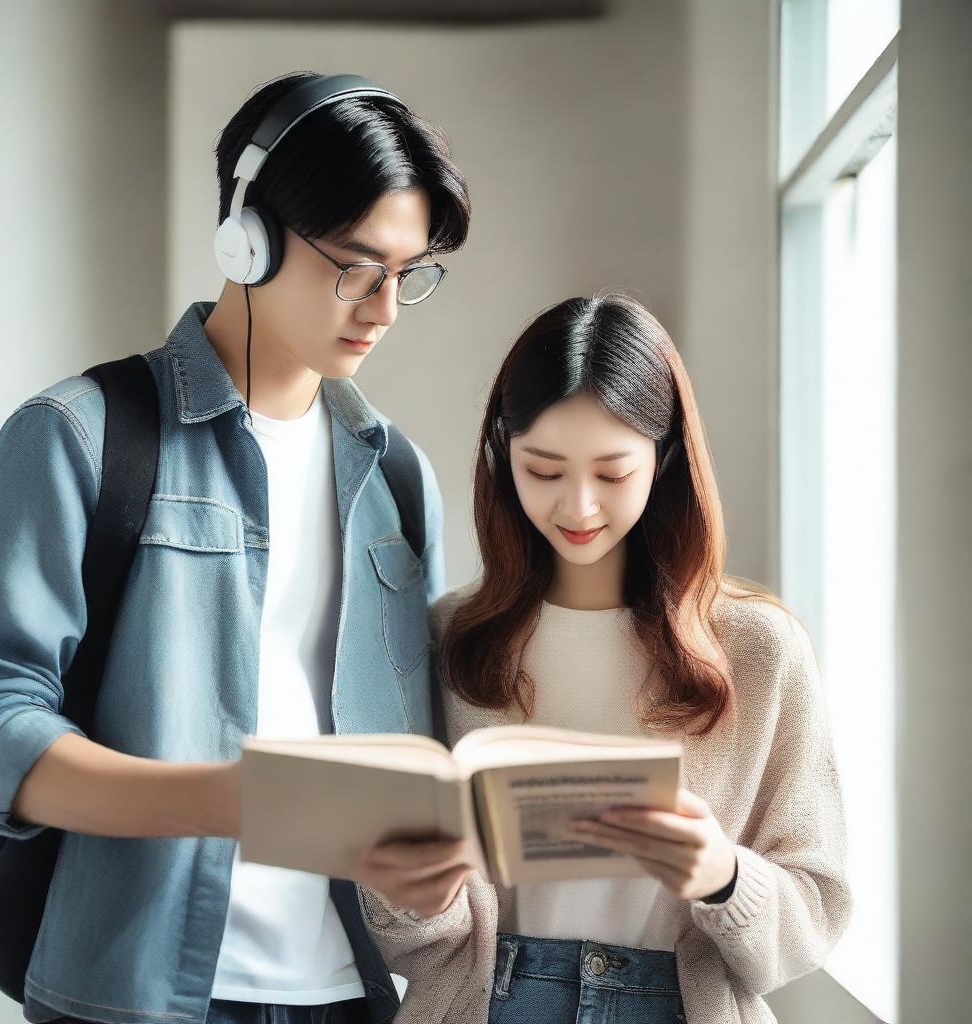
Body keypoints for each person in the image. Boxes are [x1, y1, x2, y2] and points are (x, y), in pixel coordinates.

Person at [0, 72, 472, 1024]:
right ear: (249, 237)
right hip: (135, 992)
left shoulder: (398, 477)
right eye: (356, 267)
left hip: (356, 988)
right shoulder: (80, 434)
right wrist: (230, 799)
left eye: (409, 274)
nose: (384, 308)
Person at [359, 293, 853, 1024]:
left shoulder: (756, 649)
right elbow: (417, 945)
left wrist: (721, 876)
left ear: (667, 460)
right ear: (503, 454)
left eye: (613, 473)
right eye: (544, 470)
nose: (578, 507)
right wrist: (417, 892)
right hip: (485, 1001)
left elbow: (818, 907)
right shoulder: (449, 636)